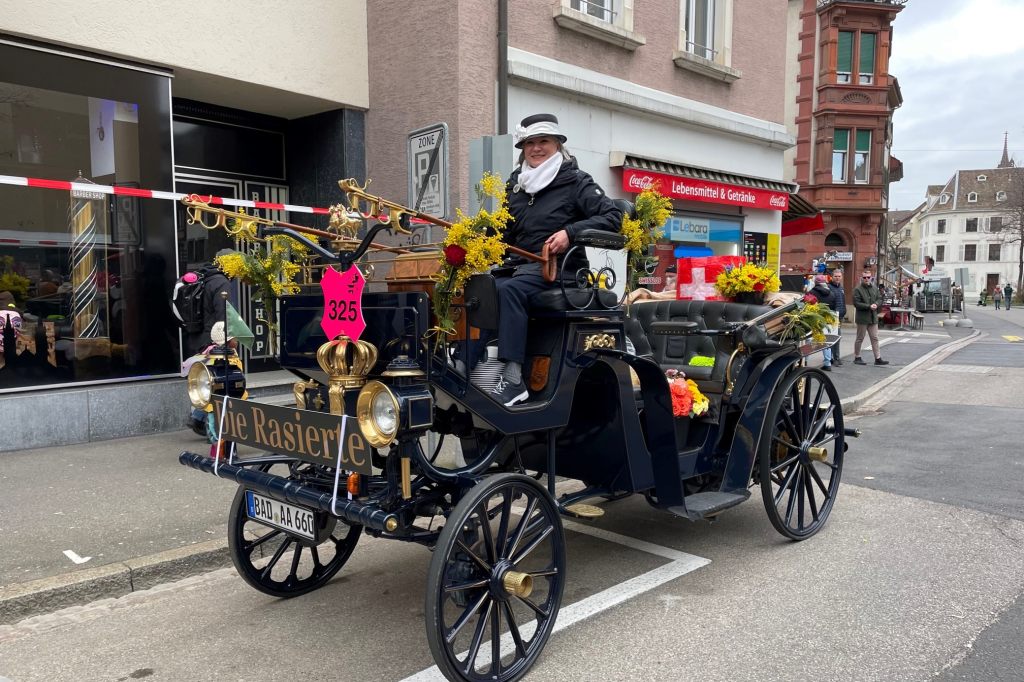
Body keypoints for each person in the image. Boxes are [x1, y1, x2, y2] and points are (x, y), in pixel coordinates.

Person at [489, 113, 622, 406]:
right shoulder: (517, 185)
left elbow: (613, 217)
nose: (536, 148)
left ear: (557, 144)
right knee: (480, 287)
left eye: (543, 142)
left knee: (508, 291)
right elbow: (503, 232)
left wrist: (570, 233)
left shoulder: (575, 180)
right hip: (520, 267)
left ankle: (513, 379)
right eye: (529, 143)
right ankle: (474, 364)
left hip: (562, 270)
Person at [181, 251, 233, 356]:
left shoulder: (205, 277)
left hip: (195, 340)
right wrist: (229, 340)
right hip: (211, 343)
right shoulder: (222, 283)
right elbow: (223, 315)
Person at [852, 271, 889, 366]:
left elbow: (879, 298)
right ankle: (857, 357)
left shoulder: (874, 288)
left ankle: (878, 358)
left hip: (873, 317)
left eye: (868, 277)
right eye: (864, 277)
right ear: (862, 278)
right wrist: (869, 306)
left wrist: (876, 304)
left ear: (871, 277)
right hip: (863, 318)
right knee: (860, 338)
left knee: (875, 338)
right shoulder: (858, 289)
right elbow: (856, 303)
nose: (866, 279)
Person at [810, 274, 835, 371]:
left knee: (809, 341)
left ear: (816, 283)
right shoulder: (831, 293)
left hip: (814, 319)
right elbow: (834, 306)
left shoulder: (811, 292)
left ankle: (804, 361)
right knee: (826, 341)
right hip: (827, 320)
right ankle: (827, 363)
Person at [827, 269, 847, 365]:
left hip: (840, 316)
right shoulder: (828, 287)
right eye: (836, 276)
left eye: (839, 276)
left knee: (837, 337)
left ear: (841, 277)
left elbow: (843, 301)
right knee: (834, 337)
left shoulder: (841, 288)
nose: (837, 278)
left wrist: (844, 311)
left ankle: (836, 357)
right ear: (832, 277)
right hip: (832, 316)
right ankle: (834, 358)